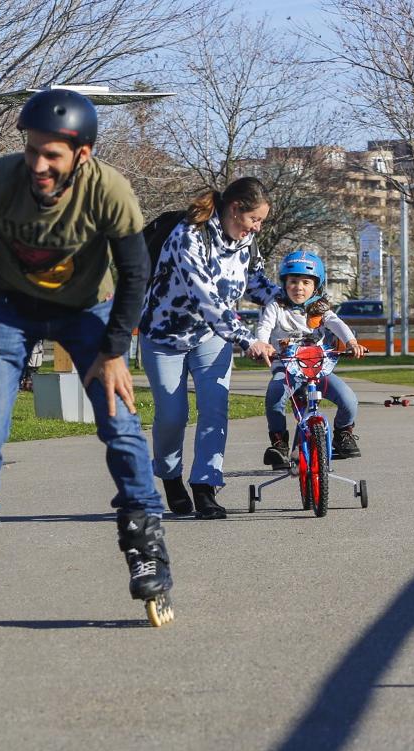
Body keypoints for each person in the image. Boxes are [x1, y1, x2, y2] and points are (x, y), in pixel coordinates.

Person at [0, 88, 171, 611]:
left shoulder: (108, 188)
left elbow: (136, 273)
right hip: (9, 306)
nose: (38, 165)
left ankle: (146, 543)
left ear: (80, 155)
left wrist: (113, 351)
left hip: (86, 310)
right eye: (32, 149)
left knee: (118, 421)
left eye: (52, 155)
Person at [138, 177, 277, 519]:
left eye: (260, 221)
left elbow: (256, 285)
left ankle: (205, 486)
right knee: (173, 416)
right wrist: (248, 340)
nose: (256, 228)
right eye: (254, 220)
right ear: (234, 209)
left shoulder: (246, 243)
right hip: (164, 335)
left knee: (214, 410)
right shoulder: (189, 236)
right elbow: (208, 300)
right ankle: (170, 477)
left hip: (211, 338)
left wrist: (298, 300)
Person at [256, 252, 370, 467]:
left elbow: (336, 323)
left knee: (349, 401)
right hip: (287, 369)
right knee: (274, 397)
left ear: (316, 285)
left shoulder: (319, 308)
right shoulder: (276, 306)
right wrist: (263, 343)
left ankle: (342, 434)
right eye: (293, 281)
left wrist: (352, 342)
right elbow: (264, 326)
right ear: (284, 283)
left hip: (317, 369)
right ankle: (279, 444)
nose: (299, 287)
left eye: (306, 282)